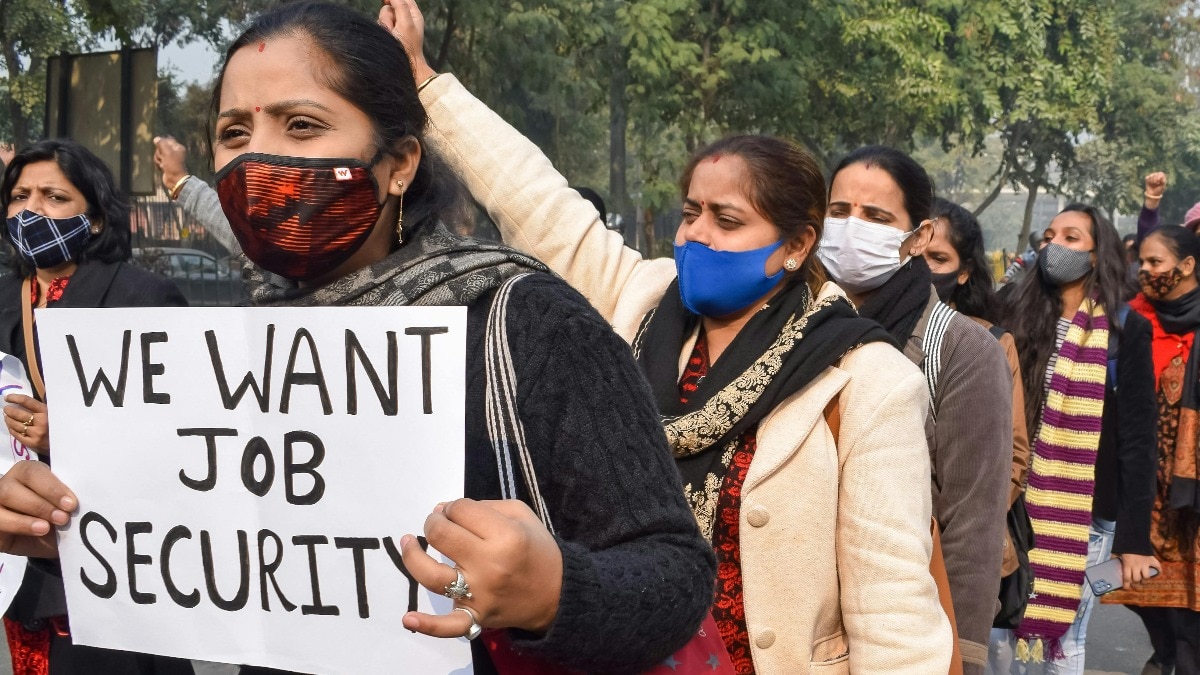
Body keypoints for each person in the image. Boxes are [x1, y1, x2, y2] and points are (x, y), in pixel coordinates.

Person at [0, 4, 718, 674]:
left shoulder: (526, 322)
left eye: (301, 125)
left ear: (399, 163)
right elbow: (221, 542)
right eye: (235, 134)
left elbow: (675, 572)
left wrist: (554, 592)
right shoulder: (234, 344)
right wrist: (72, 520)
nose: (257, 161)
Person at [390, 2, 954, 672]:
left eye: (727, 220)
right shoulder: (641, 303)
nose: (697, 236)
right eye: (691, 214)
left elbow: (892, 608)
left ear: (797, 244)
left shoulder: (867, 382)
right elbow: (536, 202)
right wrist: (425, 82)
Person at [0, 139, 191, 674]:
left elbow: (186, 431)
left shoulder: (143, 297)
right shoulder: (3, 297)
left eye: (55, 197)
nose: (32, 210)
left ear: (97, 218)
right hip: (21, 561)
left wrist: (73, 433)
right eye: (19, 196)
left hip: (115, 558)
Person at [819, 146, 1012, 674]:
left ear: (920, 236)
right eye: (839, 211)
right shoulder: (790, 326)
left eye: (876, 217)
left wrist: (963, 656)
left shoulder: (961, 350)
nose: (852, 228)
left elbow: (972, 524)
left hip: (896, 628)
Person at [995, 203, 1158, 674]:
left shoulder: (1125, 329)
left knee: (1066, 637)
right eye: (1049, 236)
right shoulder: (1012, 313)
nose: (1055, 246)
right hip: (1012, 500)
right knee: (1002, 632)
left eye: (1071, 237)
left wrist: (1134, 537)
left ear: (1096, 253)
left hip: (1087, 513)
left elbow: (1138, 440)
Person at [925, 197, 1032, 628]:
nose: (922, 267)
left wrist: (966, 522)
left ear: (963, 271)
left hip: (947, 544)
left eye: (938, 258)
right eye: (916, 251)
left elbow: (1013, 458)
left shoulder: (987, 343)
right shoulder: (855, 331)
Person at [1104, 225, 1200, 675]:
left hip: (1191, 484)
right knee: (1139, 585)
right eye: (1141, 261)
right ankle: (1165, 652)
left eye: (1155, 262)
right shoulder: (1133, 322)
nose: (1144, 270)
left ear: (1187, 266)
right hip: (1147, 479)